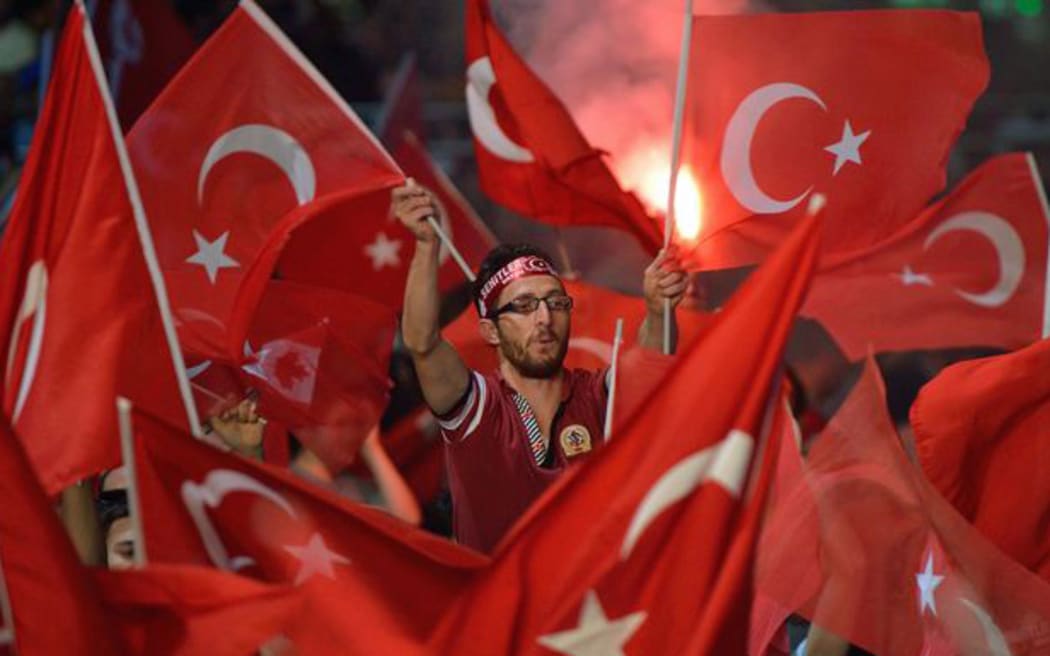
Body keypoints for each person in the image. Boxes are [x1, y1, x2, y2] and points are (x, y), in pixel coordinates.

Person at [391, 182, 688, 552]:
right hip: (499, 606)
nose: (545, 318)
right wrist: (426, 245)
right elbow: (422, 342)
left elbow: (651, 364)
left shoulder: (596, 395)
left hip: (587, 606)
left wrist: (659, 309)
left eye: (555, 302)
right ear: (491, 331)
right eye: (525, 306)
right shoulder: (477, 406)